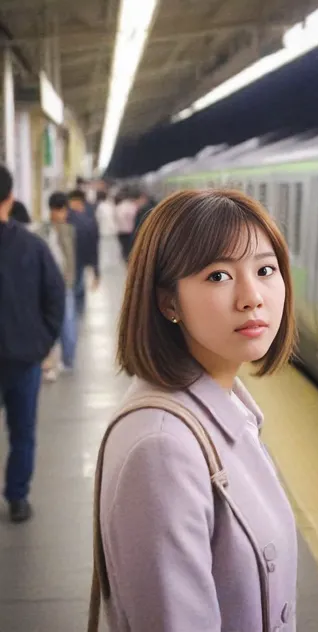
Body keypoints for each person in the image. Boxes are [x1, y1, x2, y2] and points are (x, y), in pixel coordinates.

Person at [90, 190, 298, 631]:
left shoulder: (226, 408)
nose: (251, 297)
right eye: (219, 275)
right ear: (168, 302)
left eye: (265, 269)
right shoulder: (163, 449)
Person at [0, 165, 65, 523]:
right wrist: (43, 342)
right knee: (23, 432)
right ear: (10, 198)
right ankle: (18, 498)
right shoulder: (33, 246)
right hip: (25, 359)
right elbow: (56, 298)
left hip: (25, 354)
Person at [37, 192, 77, 380]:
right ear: (55, 210)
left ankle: (67, 360)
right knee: (51, 323)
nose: (65, 214)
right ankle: (50, 363)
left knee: (67, 323)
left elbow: (70, 258)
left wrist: (70, 280)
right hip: (46, 284)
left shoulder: (68, 230)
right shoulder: (43, 231)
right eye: (62, 210)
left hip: (64, 284)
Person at [67, 189, 100, 315]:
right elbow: (94, 246)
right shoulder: (89, 220)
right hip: (80, 263)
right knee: (78, 292)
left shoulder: (65, 219)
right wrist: (96, 271)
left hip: (68, 266)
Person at [114, 188, 138, 263]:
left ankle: (125, 259)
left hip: (120, 231)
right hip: (129, 231)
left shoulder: (118, 206)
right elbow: (134, 217)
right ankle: (130, 260)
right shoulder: (132, 206)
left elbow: (116, 218)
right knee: (130, 247)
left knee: (124, 247)